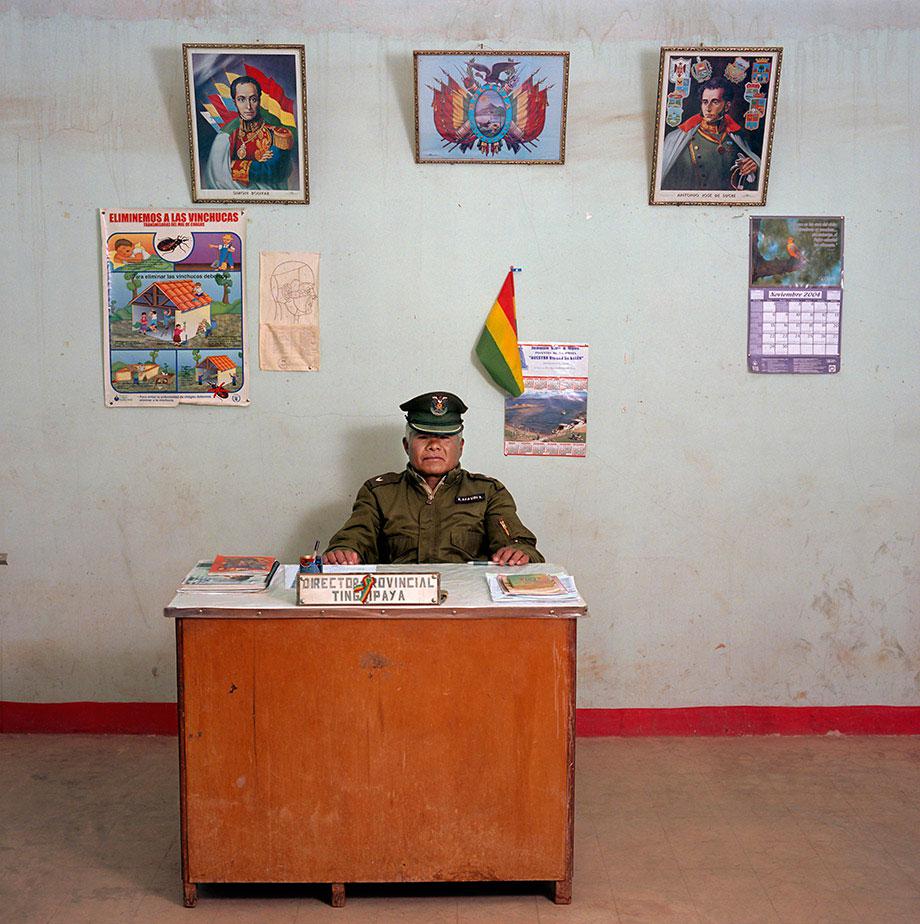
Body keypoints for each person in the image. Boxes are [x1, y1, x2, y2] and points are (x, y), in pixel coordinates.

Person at [323, 392, 543, 566]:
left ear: (461, 447)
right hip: (398, 607)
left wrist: (518, 553)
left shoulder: (488, 492)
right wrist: (344, 551)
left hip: (467, 606)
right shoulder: (379, 493)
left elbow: (518, 542)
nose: (434, 445)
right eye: (423, 436)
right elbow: (355, 536)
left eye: (445, 437)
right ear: (407, 445)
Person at [660, 77, 760, 191]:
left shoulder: (739, 137)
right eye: (705, 102)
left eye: (715, 102)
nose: (708, 108)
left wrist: (754, 167)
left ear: (727, 106)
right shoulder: (676, 138)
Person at [202, 74, 294, 191]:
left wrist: (234, 166)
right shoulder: (226, 136)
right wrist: (256, 165)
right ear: (234, 102)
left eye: (253, 99)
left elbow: (276, 173)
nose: (248, 106)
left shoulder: (277, 133)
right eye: (241, 100)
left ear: (259, 101)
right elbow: (219, 178)